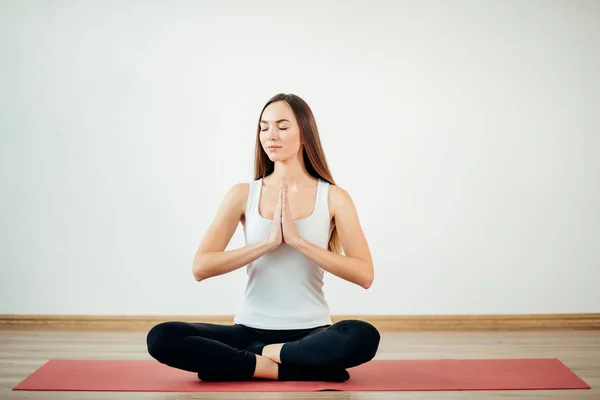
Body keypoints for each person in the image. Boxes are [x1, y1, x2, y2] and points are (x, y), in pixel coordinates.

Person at [146, 93, 380, 382]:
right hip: (248, 332)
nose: (271, 135)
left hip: (312, 333)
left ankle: (252, 361)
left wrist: (297, 242)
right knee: (162, 336)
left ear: (305, 134)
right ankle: (281, 366)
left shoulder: (334, 197)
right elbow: (201, 267)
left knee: (363, 336)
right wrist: (266, 245)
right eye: (264, 127)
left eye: (282, 127)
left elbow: (364, 274)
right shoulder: (243, 194)